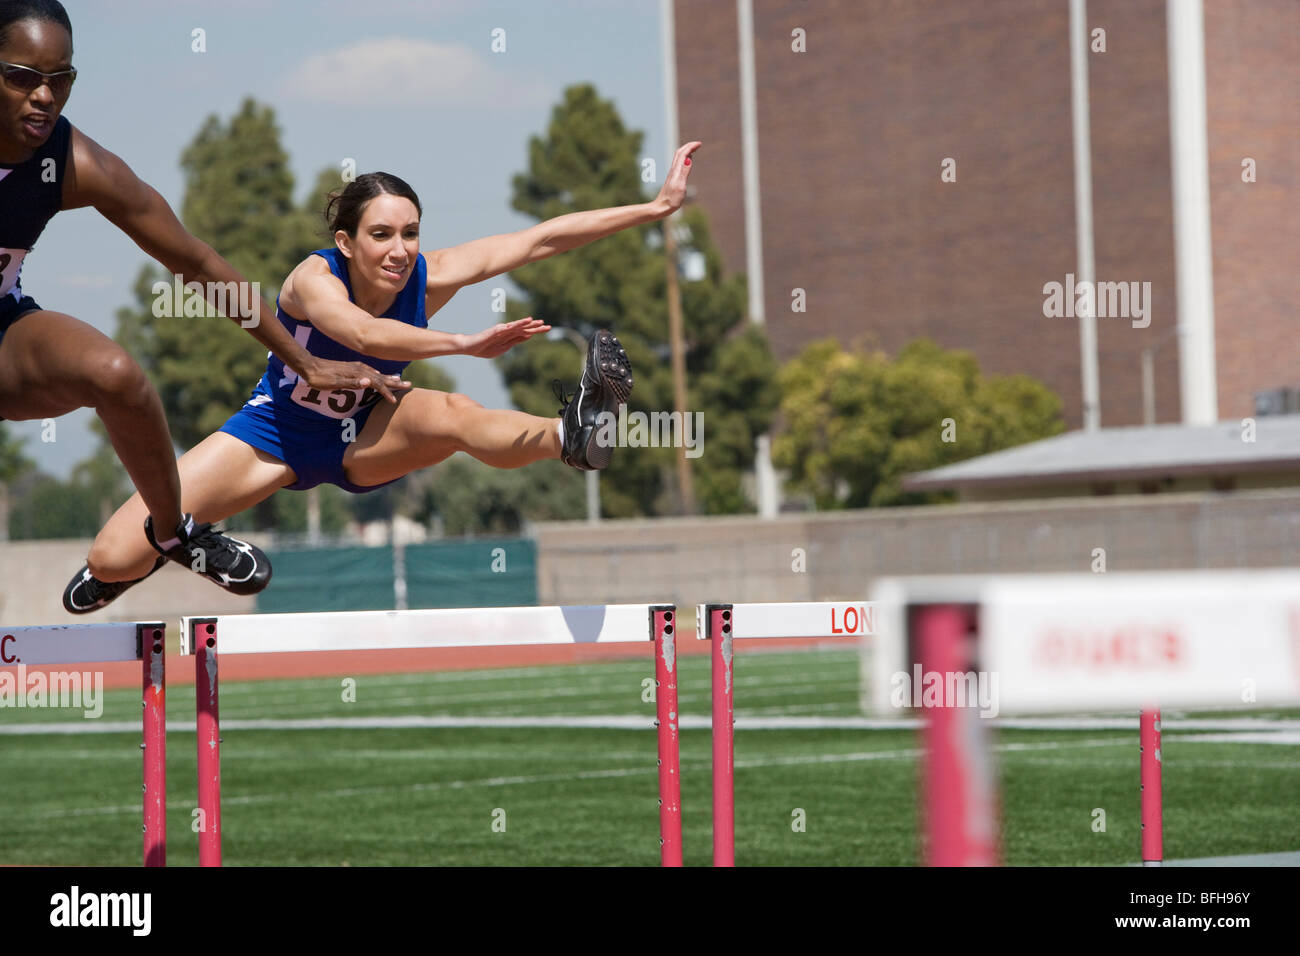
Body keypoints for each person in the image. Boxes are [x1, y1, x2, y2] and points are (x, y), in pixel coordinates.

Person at [63, 139, 702, 612]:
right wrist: (462, 342)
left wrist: (653, 208)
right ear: (346, 242)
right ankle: (185, 540)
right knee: (112, 557)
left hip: (368, 433)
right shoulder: (312, 281)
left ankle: (571, 436)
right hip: (274, 433)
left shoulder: (428, 275)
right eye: (381, 234)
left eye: (411, 233)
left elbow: (537, 241)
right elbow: (362, 335)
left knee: (456, 418)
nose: (400, 250)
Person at [0, 0, 413, 609]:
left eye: (60, 79)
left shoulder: (73, 162)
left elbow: (195, 263)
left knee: (117, 375)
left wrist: (303, 361)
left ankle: (172, 532)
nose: (44, 96)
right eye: (22, 77)